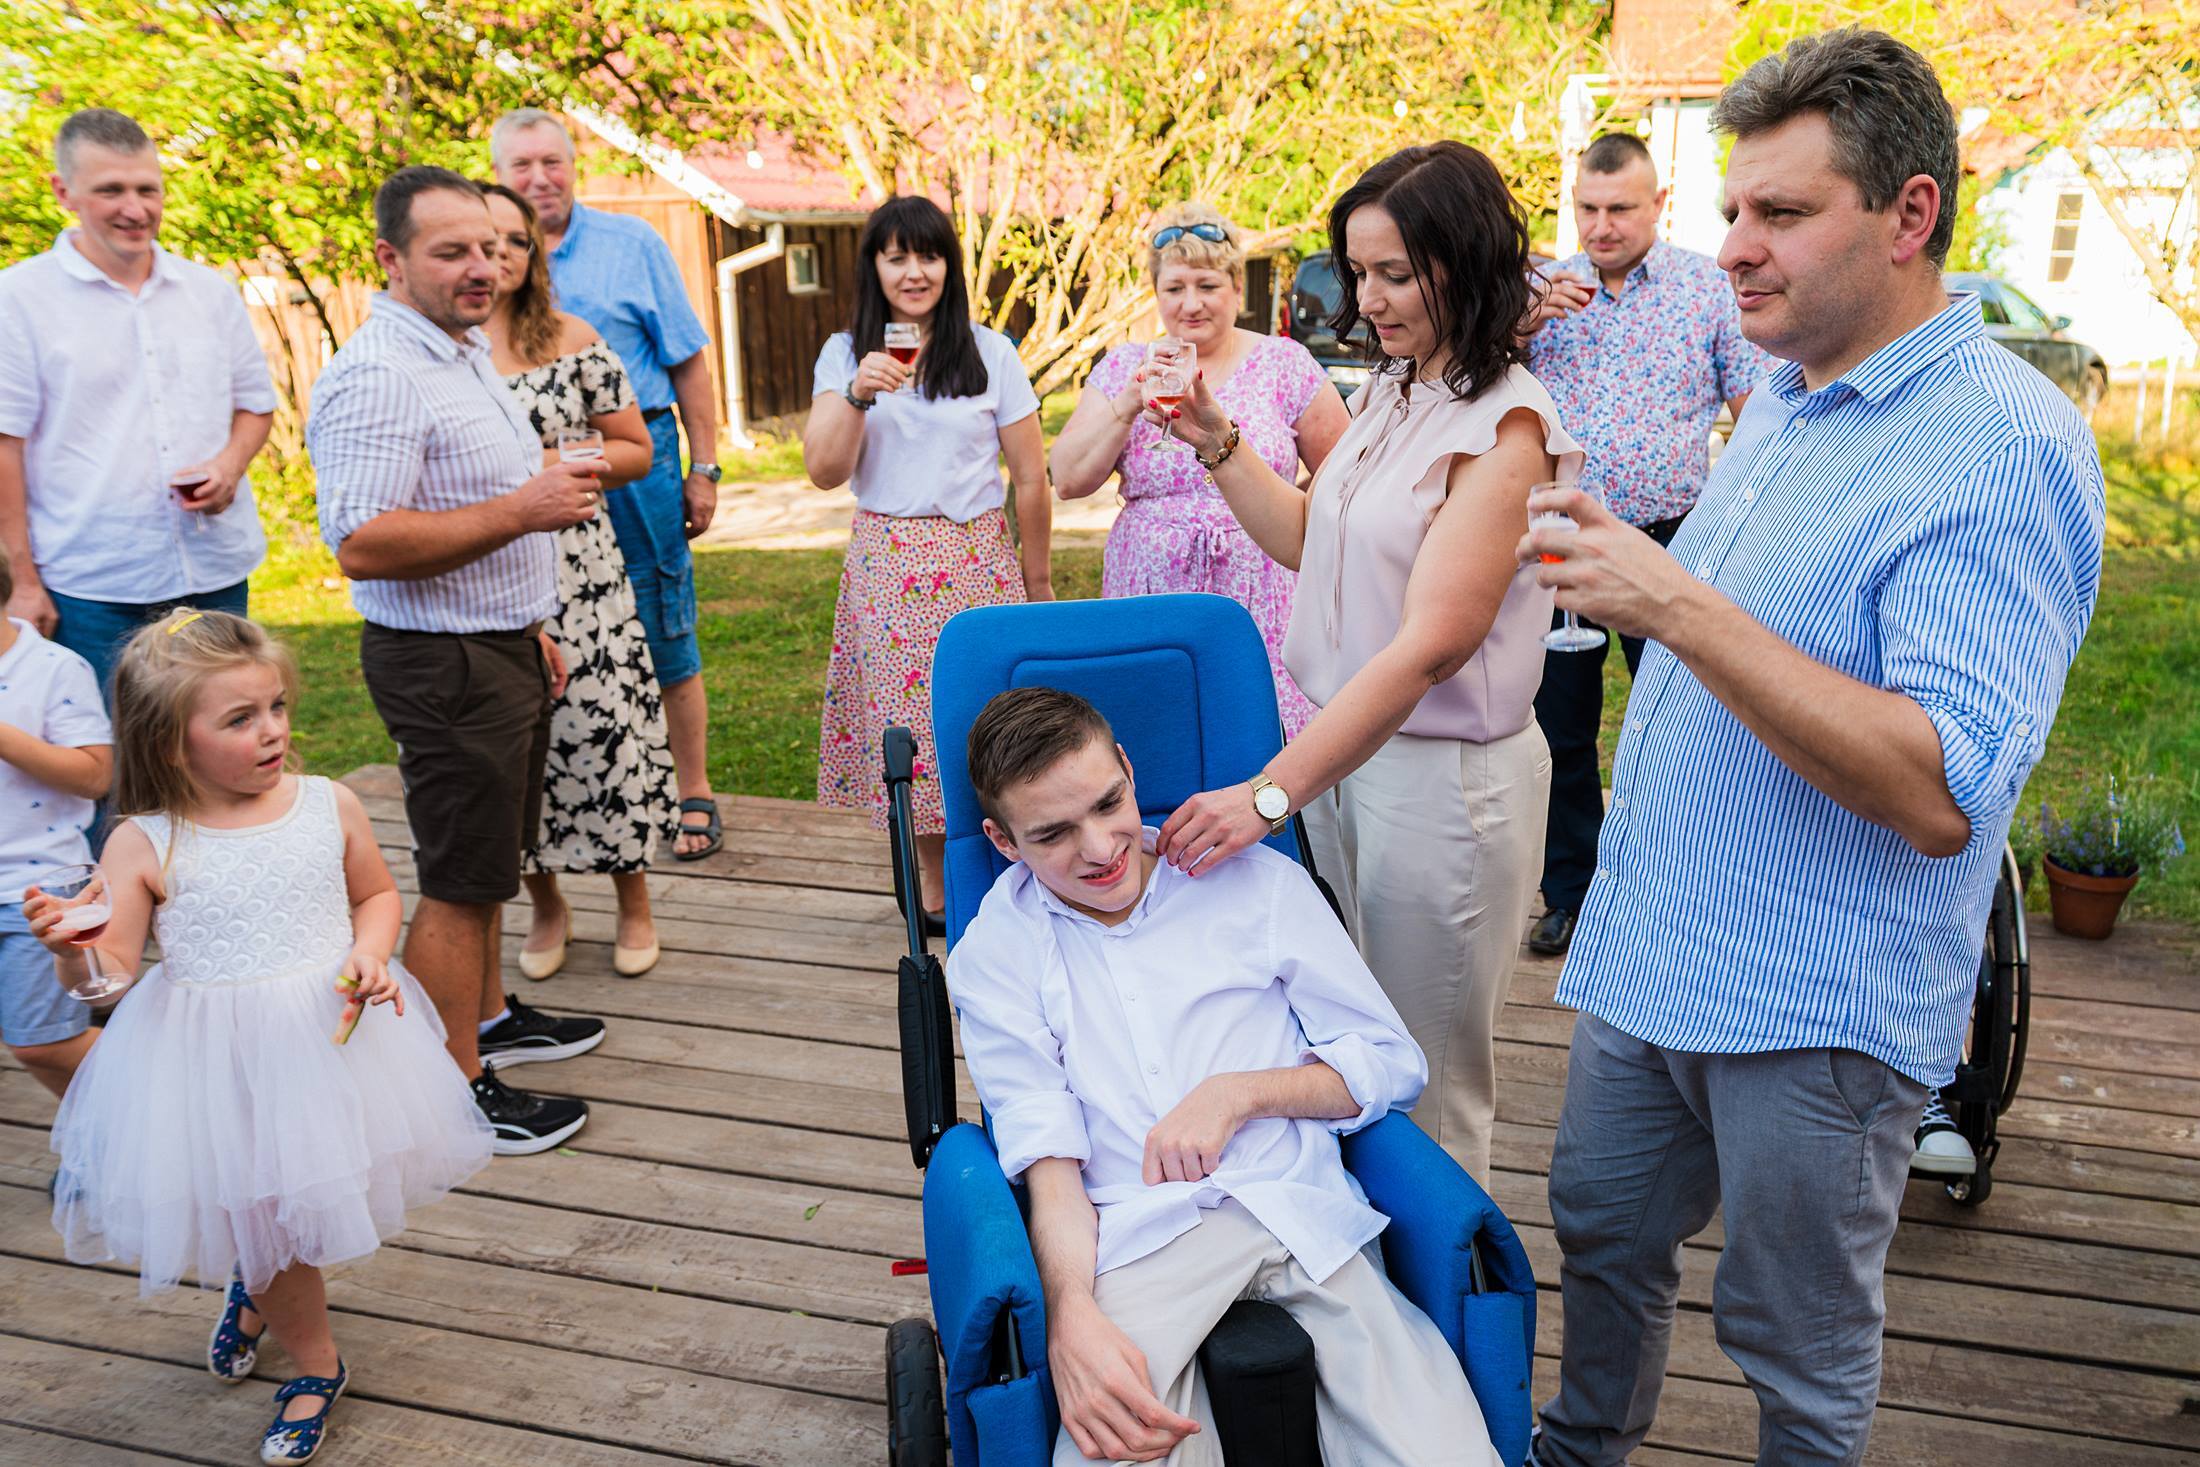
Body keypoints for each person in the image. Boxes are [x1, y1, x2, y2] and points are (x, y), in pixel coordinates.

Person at [1520, 30, 2105, 1467]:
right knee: (1599, 1238)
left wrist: (1672, 603)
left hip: (1814, 1000)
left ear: (1909, 216)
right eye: (1734, 209)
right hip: (1654, 957)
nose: (1733, 245)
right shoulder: (1789, 391)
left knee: (1795, 1340)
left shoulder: (1999, 446)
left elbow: (1941, 787)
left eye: (1780, 212)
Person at [1151, 142, 1582, 1185]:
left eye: (1396, 273)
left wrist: (1269, 793)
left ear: (1465, 264)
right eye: (1359, 272)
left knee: (1428, 1080)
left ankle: (1454, 1278)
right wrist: (1216, 439)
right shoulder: (1396, 387)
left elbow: (1431, 647)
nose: (1370, 299)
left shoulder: (1506, 430)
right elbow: (1311, 540)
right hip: (1353, 756)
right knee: (1364, 1044)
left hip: (1444, 788)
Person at [949, 688, 1496, 1467]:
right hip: (1140, 1246)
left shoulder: (1257, 885)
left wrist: (1239, 1093)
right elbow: (1053, 1172)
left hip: (1303, 1221)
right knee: (1116, 1446)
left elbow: (1389, 1062)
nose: (1100, 847)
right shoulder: (995, 954)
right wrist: (1069, 1313)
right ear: (1003, 841)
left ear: (1128, 767)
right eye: (1054, 833)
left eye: (1108, 803)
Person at [26, 610, 493, 1465]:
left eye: (275, 706)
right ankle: (318, 1364)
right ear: (172, 744)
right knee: (265, 1211)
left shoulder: (326, 804)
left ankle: (257, 1287)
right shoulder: (144, 841)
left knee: (297, 1204)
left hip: (326, 1047)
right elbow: (109, 977)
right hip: (215, 1066)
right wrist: (71, 951)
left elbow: (376, 894)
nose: (273, 729)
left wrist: (368, 951)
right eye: (240, 718)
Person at [308, 166, 609, 1156]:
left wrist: (527, 622)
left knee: (491, 865)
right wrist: (523, 510)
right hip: (444, 664)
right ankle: (453, 1090)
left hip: (496, 644)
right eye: (452, 252)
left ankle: (486, 1019)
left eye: (488, 246)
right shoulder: (380, 376)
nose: (481, 267)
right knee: (459, 881)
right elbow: (362, 542)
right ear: (390, 259)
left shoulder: (459, 349)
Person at [1519, 131, 1773, 958]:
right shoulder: (1540, 291)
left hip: (1672, 541)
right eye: (1587, 209)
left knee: (1683, 724)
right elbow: (1477, 385)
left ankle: (1677, 889)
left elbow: (1758, 411)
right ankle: (1571, 892)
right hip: (1560, 542)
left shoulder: (1709, 287)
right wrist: (1518, 326)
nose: (1601, 226)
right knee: (1560, 726)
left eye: (1620, 208)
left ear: (1660, 203)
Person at [803, 195, 1052, 922]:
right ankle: (934, 885)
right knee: (907, 725)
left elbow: (1030, 477)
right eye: (897, 257)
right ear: (874, 267)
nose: (914, 272)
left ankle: (1005, 865)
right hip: (889, 559)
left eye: (929, 255)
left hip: (976, 555)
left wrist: (1038, 583)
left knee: (985, 713)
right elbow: (823, 471)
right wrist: (857, 394)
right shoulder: (844, 355)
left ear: (950, 265)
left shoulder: (990, 351)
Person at [492, 109, 725, 861]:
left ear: (574, 166)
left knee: (662, 617)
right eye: (522, 165)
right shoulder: (482, 258)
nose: (540, 178)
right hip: (522, 475)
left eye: (552, 162)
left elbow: (687, 358)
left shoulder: (633, 243)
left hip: (638, 456)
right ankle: (598, 791)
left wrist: (703, 468)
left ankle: (691, 788)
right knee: (561, 633)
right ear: (499, 175)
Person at [0, 108, 275, 699]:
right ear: (64, 192)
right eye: (111, 190)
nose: (135, 208)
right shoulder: (18, 299)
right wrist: (22, 580)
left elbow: (256, 406)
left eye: (147, 189)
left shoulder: (210, 293)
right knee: (109, 751)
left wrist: (229, 466)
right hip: (91, 589)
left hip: (216, 573)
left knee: (223, 739)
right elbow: (5, 448)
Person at [1050, 203, 1349, 736]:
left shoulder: (1285, 364)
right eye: (1175, 288)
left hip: (1262, 596)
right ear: (1156, 292)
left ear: (1237, 287)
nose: (1191, 304)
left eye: (1207, 286)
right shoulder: (1122, 367)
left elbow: (1347, 472)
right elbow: (1069, 480)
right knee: (1154, 738)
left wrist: (1287, 508)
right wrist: (1127, 404)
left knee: (1258, 737)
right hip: (1149, 593)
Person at [480, 182, 678, 982]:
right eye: (484, 240)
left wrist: (550, 461)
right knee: (518, 748)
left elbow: (634, 448)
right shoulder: (444, 354)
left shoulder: (572, 337)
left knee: (601, 728)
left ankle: (634, 902)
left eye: (515, 241)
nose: (499, 256)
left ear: (534, 254)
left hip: (581, 573)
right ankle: (547, 903)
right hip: (488, 572)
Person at [0, 543, 112, 1099]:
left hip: (34, 887)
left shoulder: (53, 669)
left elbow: (95, 776)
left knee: (42, 1042)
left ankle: (165, 1102)